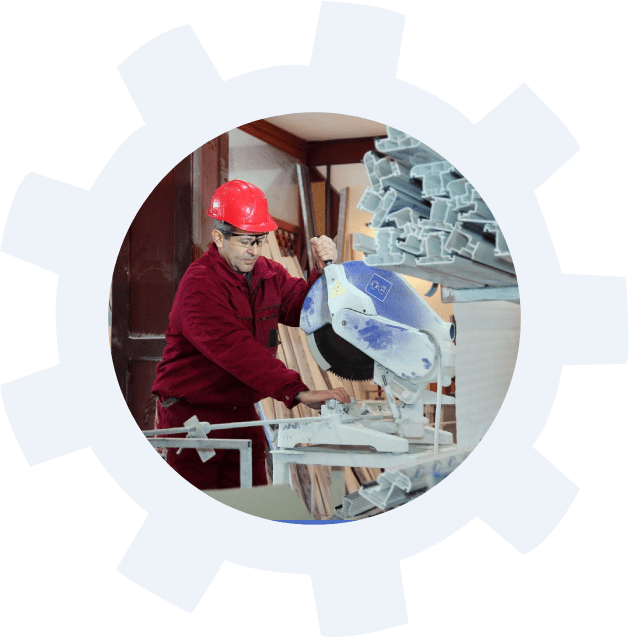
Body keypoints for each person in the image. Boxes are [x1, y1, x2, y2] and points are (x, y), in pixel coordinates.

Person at [152, 179, 351, 490]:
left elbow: (304, 309)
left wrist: (325, 271)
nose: (253, 251)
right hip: (192, 417)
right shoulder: (199, 285)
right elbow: (237, 350)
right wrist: (297, 391)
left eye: (259, 241)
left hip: (241, 411)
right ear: (218, 237)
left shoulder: (269, 274)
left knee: (252, 504)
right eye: (245, 241)